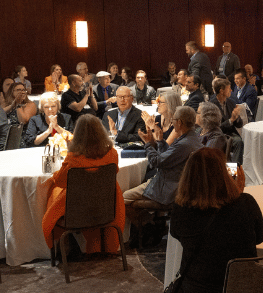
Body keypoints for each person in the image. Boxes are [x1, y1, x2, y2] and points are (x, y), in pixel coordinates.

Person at [171, 147, 263, 293]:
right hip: (240, 286)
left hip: (196, 287)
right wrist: (238, 194)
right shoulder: (245, 203)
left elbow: (176, 233)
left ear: (187, 176)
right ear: (223, 174)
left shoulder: (181, 209)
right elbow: (261, 235)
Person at [42, 114, 126, 256]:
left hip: (78, 211)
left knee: (54, 190)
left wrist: (55, 175)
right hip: (106, 208)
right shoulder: (112, 154)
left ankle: (63, 245)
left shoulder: (74, 158)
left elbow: (61, 182)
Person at [127, 106, 203, 242]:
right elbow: (170, 158)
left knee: (123, 198)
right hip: (176, 183)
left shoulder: (184, 144)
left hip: (169, 188)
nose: (173, 123)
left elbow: (157, 161)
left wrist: (148, 144)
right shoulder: (192, 139)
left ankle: (147, 227)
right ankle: (154, 223)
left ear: (179, 122)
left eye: (174, 120)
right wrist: (161, 141)